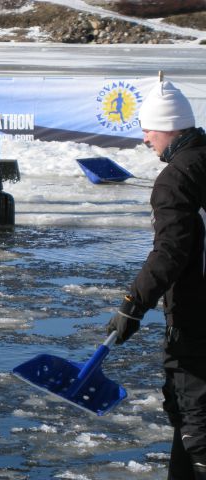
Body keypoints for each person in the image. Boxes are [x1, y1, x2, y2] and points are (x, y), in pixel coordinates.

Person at [106, 80, 206, 479]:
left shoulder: (177, 178)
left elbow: (171, 252)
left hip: (197, 318)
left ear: (170, 127)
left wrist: (132, 306)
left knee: (194, 415)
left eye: (149, 128)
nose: (145, 137)